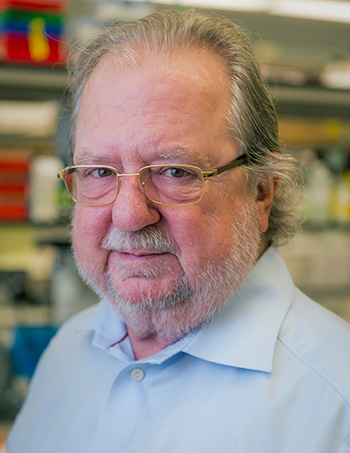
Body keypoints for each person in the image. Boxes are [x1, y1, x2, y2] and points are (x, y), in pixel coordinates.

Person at [8, 9, 350, 453]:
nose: (130, 215)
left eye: (175, 170)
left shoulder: (334, 398)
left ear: (262, 192)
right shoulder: (68, 351)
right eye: (99, 171)